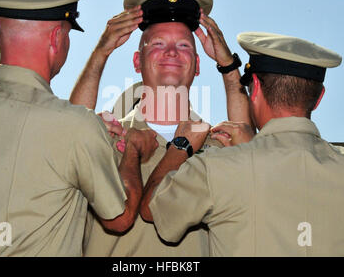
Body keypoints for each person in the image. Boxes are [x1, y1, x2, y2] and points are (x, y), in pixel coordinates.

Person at [0, 0, 158, 257]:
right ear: (57, 37)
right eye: (68, 35)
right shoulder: (73, 127)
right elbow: (120, 218)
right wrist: (131, 150)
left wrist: (101, 54)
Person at [70, 0, 252, 256]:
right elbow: (71, 129)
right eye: (157, 44)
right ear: (136, 61)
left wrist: (228, 65)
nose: (171, 52)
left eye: (183, 45)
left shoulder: (216, 145)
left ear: (198, 64)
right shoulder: (106, 135)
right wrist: (101, 52)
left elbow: (246, 136)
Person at [141, 31, 344, 256]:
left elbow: (153, 208)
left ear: (254, 86)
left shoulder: (217, 169)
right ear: (319, 97)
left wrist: (180, 146)